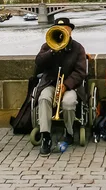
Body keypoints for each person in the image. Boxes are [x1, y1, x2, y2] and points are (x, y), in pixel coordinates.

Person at [34, 17, 87, 156]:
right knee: (44, 98)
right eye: (60, 29)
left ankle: (69, 132)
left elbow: (81, 72)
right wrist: (52, 51)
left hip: (70, 86)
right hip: (50, 83)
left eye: (66, 29)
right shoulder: (48, 45)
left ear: (70, 31)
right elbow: (38, 63)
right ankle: (46, 136)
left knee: (68, 103)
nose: (63, 31)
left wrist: (66, 84)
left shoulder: (78, 47)